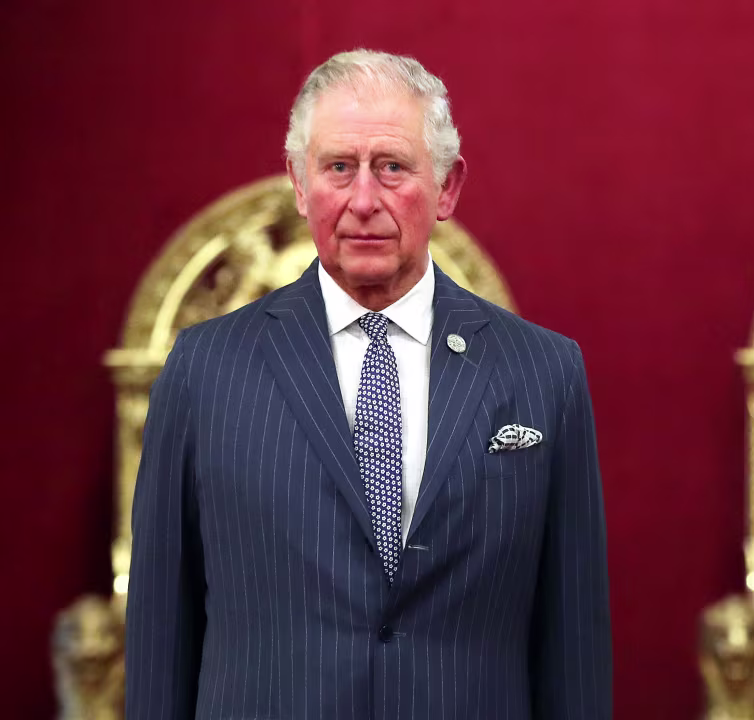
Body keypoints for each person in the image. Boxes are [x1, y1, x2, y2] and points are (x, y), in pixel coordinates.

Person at [124, 49, 611, 719]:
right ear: (299, 185)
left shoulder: (544, 372)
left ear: (447, 187)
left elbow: (573, 645)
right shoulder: (205, 370)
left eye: (392, 168)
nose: (362, 201)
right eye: (338, 168)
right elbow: (160, 634)